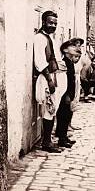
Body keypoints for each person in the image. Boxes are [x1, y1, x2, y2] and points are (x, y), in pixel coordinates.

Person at [32, 10, 65, 153]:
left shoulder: (50, 38)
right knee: (48, 109)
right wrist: (50, 80)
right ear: (43, 22)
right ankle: (46, 143)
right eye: (50, 22)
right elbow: (40, 61)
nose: (53, 26)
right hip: (46, 78)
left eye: (55, 23)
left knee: (52, 109)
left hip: (52, 77)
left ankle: (48, 140)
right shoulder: (39, 38)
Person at [55, 40, 79, 149]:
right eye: (72, 46)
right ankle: (61, 138)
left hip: (70, 92)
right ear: (65, 50)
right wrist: (68, 95)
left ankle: (64, 137)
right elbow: (66, 81)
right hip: (66, 93)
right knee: (63, 115)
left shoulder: (70, 61)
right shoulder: (65, 62)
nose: (75, 48)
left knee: (67, 115)